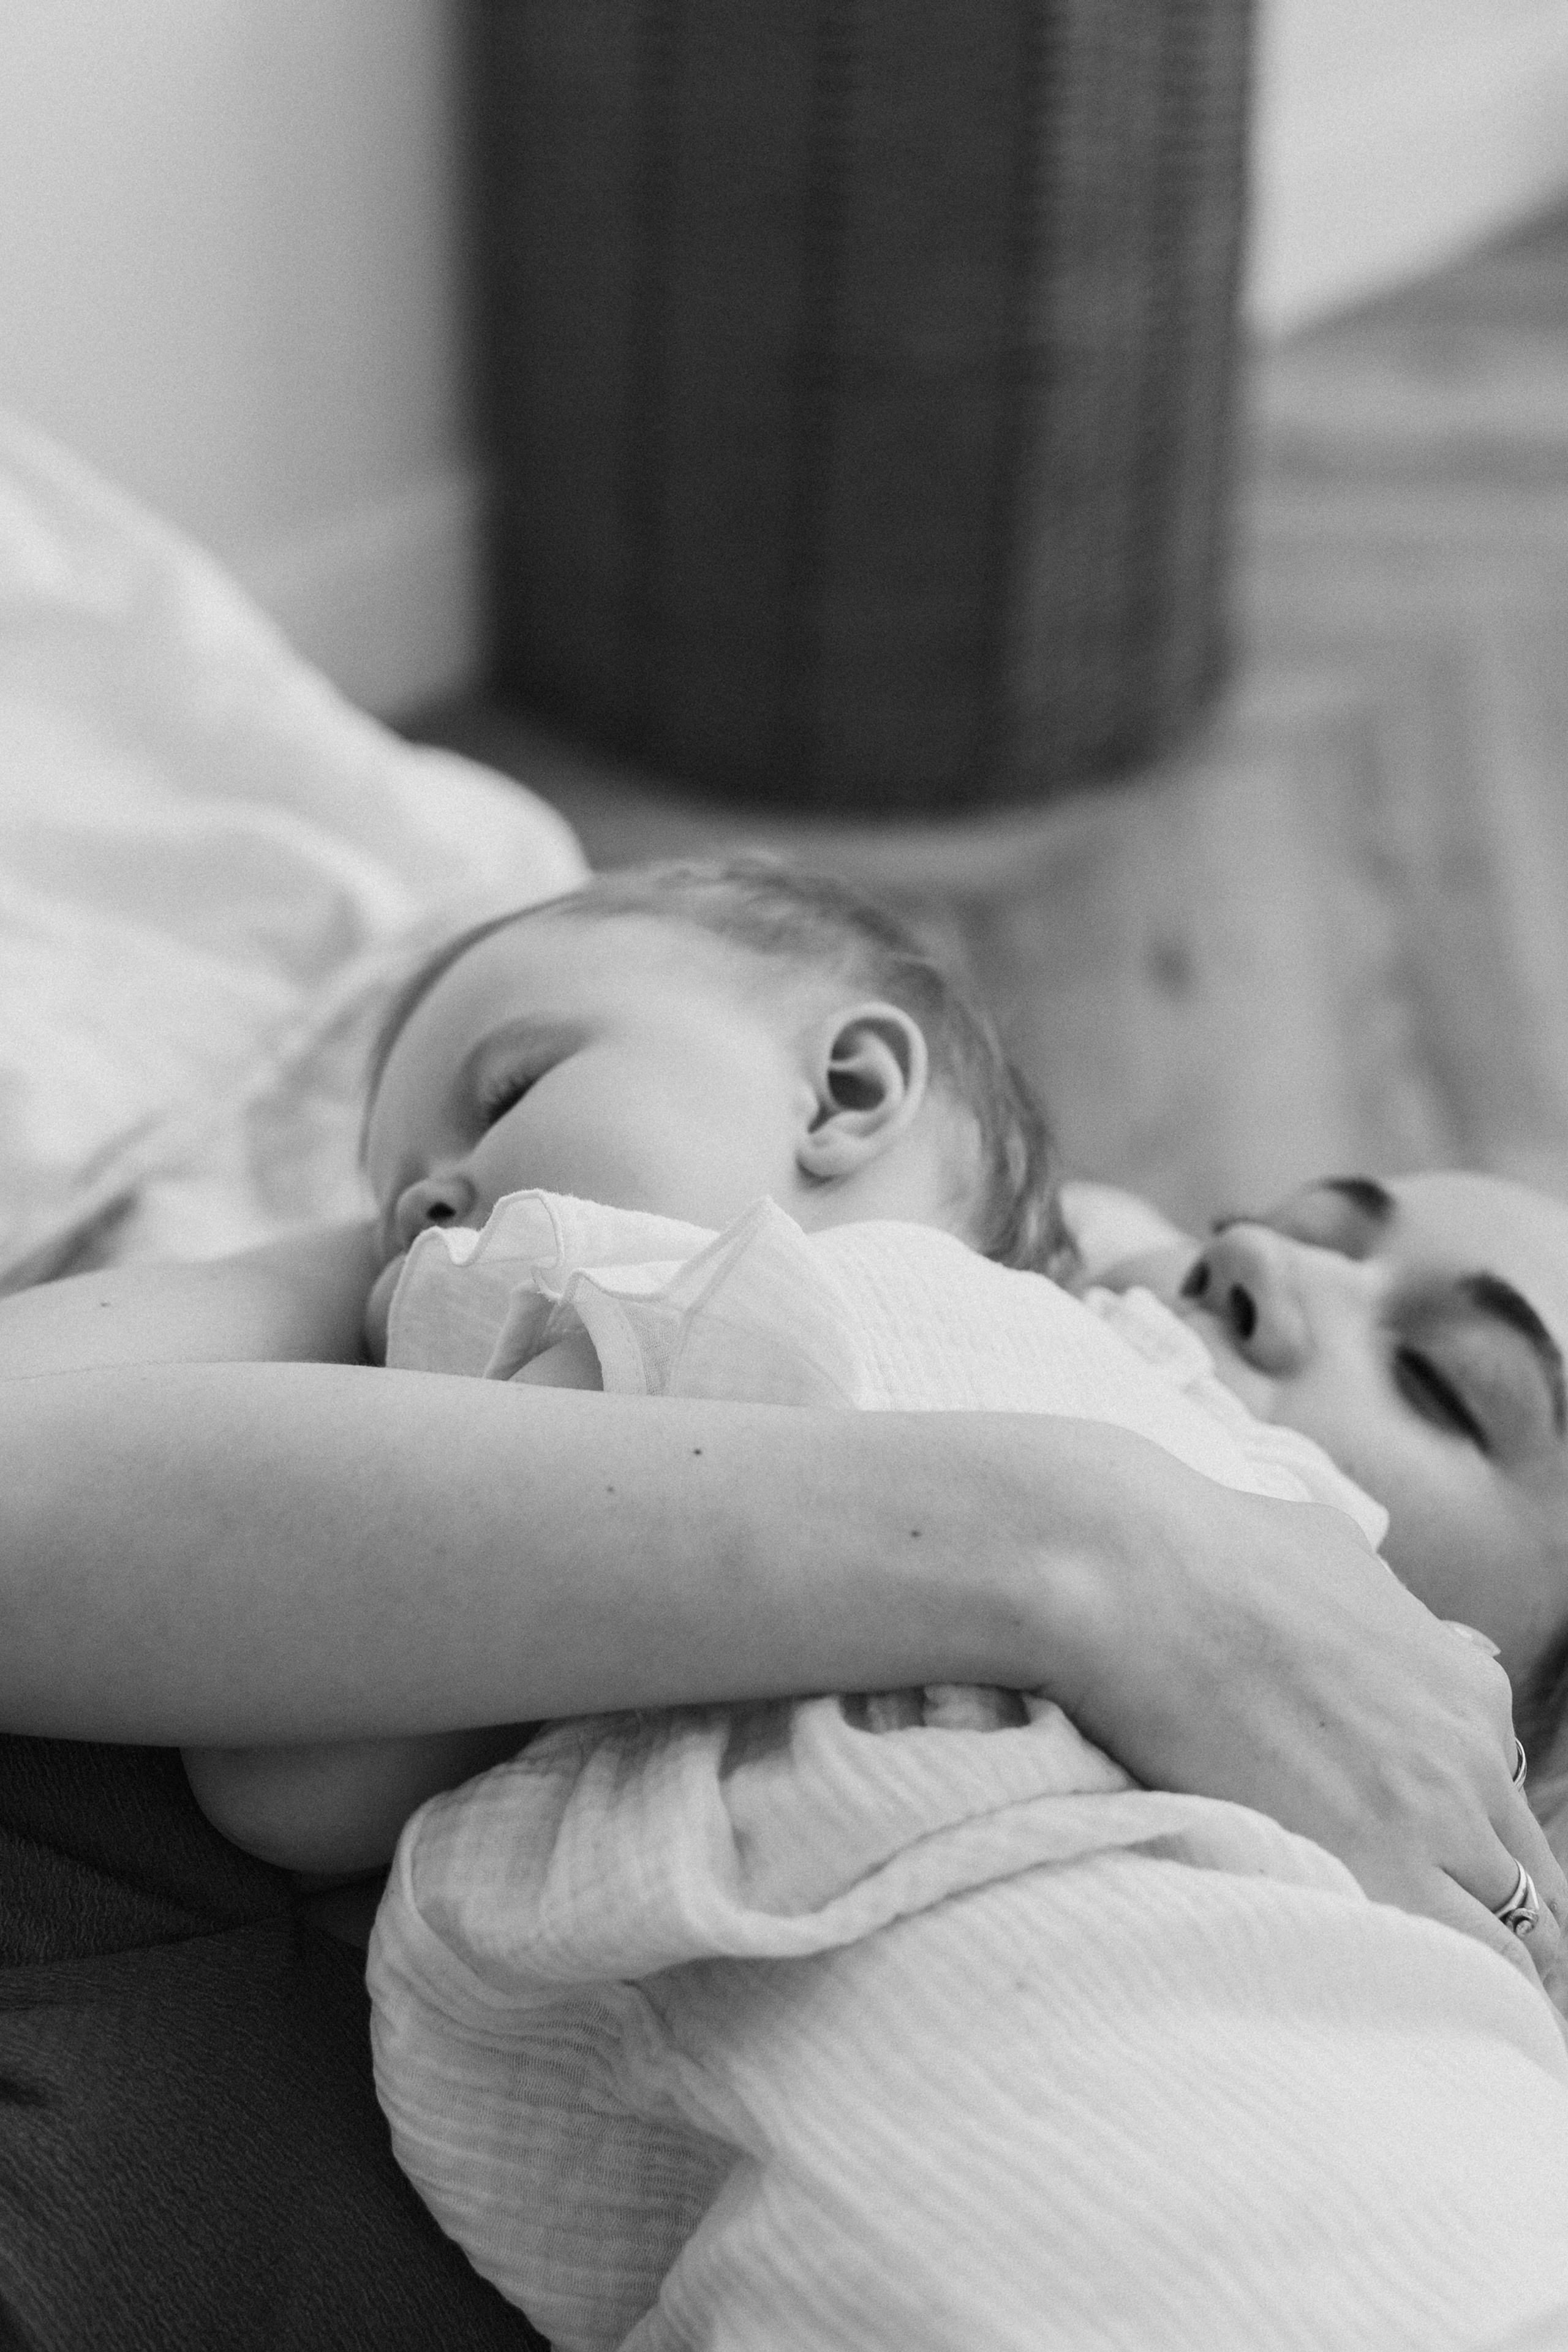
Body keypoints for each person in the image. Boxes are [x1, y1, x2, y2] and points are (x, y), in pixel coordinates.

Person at [0, 862, 1558, 2348]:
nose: (1250, 1270)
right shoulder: (849, 1316)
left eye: (1443, 1385)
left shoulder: (1436, 1964)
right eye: (1281, 1222)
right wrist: (482, 1200)